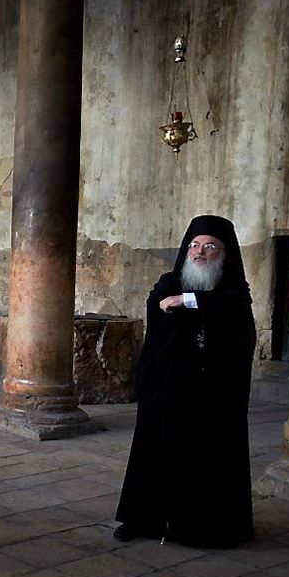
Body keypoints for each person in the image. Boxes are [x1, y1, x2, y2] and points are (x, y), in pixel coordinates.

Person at [115, 214, 256, 548]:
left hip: (212, 393)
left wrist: (191, 302)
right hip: (167, 386)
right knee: (154, 453)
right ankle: (142, 519)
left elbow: (232, 314)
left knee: (206, 463)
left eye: (210, 246)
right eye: (194, 245)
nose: (199, 252)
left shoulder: (234, 290)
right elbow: (157, 306)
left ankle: (200, 527)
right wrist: (178, 303)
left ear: (225, 253)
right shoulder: (169, 281)